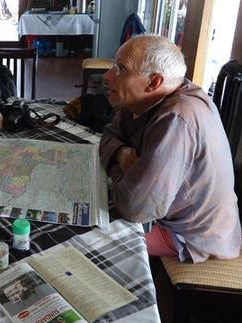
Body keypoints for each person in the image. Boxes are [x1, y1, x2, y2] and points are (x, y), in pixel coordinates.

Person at [99, 35, 241, 263]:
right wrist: (123, 155)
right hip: (164, 211)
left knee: (92, 240)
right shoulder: (140, 99)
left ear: (154, 82)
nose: (108, 76)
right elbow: (109, 136)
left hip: (191, 234)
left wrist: (116, 167)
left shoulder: (177, 117)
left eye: (121, 69)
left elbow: (134, 207)